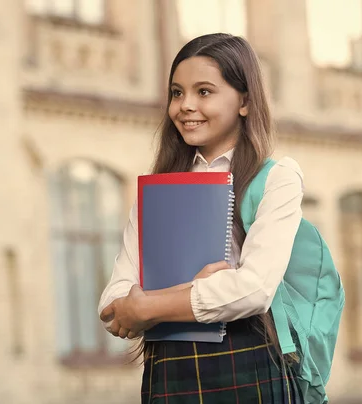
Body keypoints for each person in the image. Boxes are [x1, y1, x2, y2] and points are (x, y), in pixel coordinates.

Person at [98, 33, 305, 403]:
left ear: (244, 100)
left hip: (249, 365)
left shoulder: (276, 178)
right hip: (169, 370)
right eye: (177, 93)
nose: (185, 105)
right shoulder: (157, 189)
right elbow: (113, 301)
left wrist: (149, 305)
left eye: (204, 92)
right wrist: (187, 291)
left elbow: (254, 290)